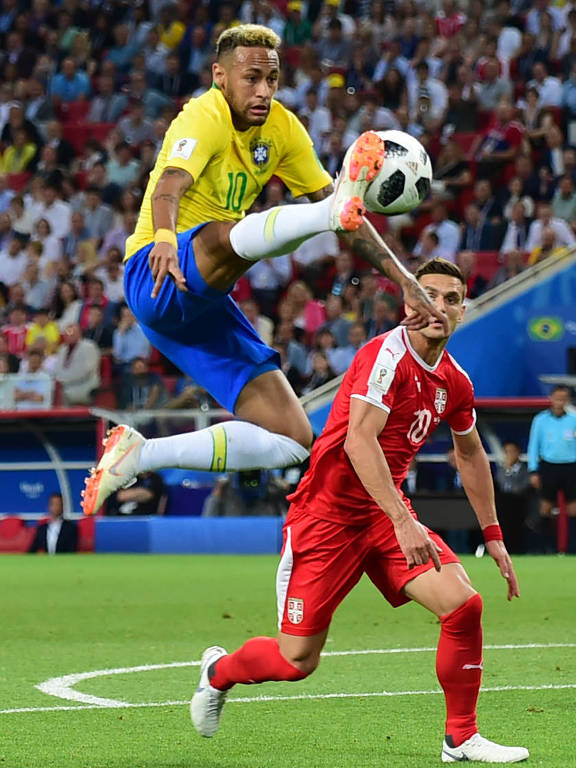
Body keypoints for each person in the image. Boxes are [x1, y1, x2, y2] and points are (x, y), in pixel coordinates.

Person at [81, 24, 445, 516]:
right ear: (220, 76)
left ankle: (140, 454)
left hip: (204, 301)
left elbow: (351, 222)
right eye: (251, 78)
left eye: (272, 78)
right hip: (157, 273)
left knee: (294, 438)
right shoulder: (202, 116)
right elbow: (169, 185)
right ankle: (325, 213)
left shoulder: (283, 128)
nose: (264, 90)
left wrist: (404, 279)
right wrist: (164, 238)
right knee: (223, 236)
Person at [190, 258, 528, 764]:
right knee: (296, 660)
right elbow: (358, 441)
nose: (440, 306)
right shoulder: (383, 356)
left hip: (384, 515)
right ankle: (219, 672)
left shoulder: (455, 382)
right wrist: (402, 518)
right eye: (428, 295)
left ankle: (460, 737)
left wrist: (493, 533)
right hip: (326, 518)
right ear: (410, 303)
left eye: (452, 299)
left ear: (462, 310)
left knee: (463, 605)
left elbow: (470, 452)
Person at [527, 385, 576, 553]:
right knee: (546, 508)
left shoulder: (574, 419)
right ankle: (544, 548)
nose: (560, 402)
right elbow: (534, 445)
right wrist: (533, 470)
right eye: (557, 398)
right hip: (549, 466)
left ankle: (571, 549)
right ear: (551, 398)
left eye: (563, 398)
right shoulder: (540, 420)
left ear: (568, 400)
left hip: (571, 466)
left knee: (573, 509)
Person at [494, 441, 531, 555]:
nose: (509, 454)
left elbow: (524, 486)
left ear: (518, 452)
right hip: (504, 506)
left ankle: (518, 549)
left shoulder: (525, 469)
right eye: (507, 452)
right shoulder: (501, 470)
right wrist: (507, 469)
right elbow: (500, 484)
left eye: (512, 451)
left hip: (520, 505)